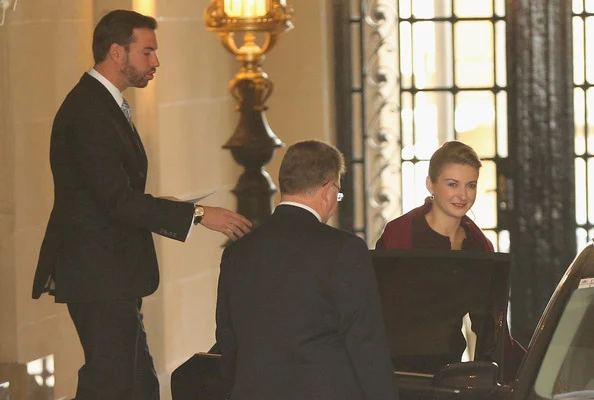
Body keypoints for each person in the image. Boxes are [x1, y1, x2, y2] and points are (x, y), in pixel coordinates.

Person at [31, 10, 251, 400]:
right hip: (97, 272)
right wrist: (198, 215)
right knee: (112, 385)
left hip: (111, 272)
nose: (156, 62)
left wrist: (159, 204)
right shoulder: (89, 110)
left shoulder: (104, 103)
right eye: (147, 52)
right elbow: (115, 201)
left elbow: (108, 192)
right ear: (117, 53)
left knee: (138, 386)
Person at [216, 140, 396, 400]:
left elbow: (227, 339)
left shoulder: (237, 252)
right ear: (328, 189)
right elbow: (365, 343)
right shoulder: (344, 250)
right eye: (338, 193)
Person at [375, 140, 525, 383]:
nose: (463, 195)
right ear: (430, 184)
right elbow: (376, 310)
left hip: (449, 375)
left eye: (471, 185)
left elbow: (491, 329)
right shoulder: (401, 233)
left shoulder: (479, 245)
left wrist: (532, 375)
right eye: (452, 184)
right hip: (397, 375)